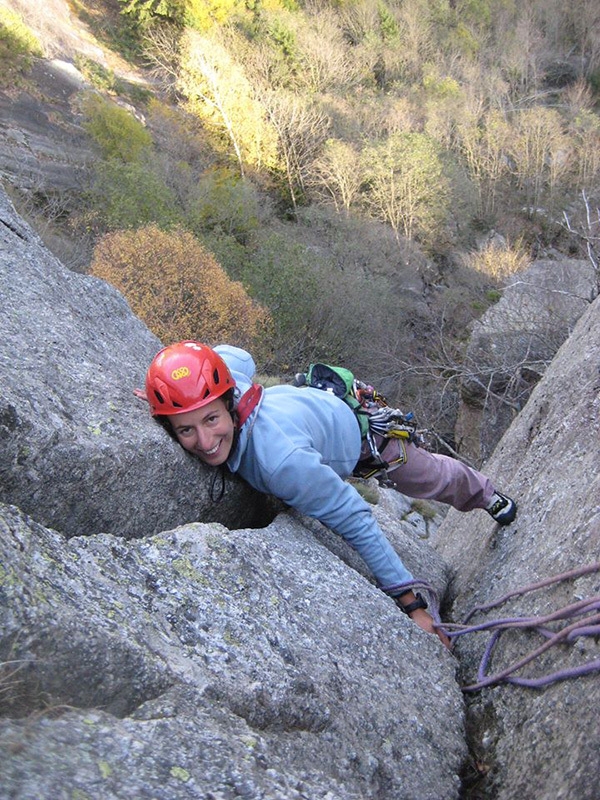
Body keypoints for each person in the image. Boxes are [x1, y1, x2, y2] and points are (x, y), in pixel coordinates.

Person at [137, 341, 517, 650]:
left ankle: (486, 494)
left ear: (229, 403)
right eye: (185, 430)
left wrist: (414, 606)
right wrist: (173, 399)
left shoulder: (280, 463)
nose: (205, 442)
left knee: (431, 478)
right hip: (313, 406)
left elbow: (355, 518)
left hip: (366, 438)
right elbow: (238, 355)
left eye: (211, 420)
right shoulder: (227, 378)